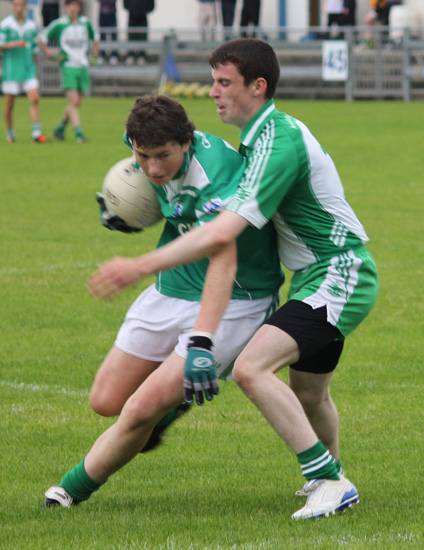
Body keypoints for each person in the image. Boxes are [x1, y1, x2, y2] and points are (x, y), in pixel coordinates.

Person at [87, 39, 379, 521]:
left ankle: (330, 479)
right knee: (310, 394)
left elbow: (223, 232)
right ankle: (325, 478)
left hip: (339, 271)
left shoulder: (277, 140)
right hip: (313, 277)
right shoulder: (259, 137)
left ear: (257, 86)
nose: (214, 92)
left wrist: (138, 265)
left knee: (250, 368)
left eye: (224, 83)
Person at [40, 94, 284, 508]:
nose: (152, 168)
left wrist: (202, 343)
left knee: (138, 412)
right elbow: (154, 191)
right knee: (106, 402)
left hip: (236, 296)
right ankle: (175, 401)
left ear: (186, 141)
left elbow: (222, 259)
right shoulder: (142, 141)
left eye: (163, 156)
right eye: (143, 155)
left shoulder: (216, 175)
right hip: (173, 284)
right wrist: (127, 213)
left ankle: (67, 492)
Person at [38, 0, 100, 143]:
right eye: (69, 5)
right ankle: (79, 134)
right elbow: (42, 38)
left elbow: (96, 38)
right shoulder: (60, 24)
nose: (72, 9)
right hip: (68, 66)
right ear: (65, 7)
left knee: (76, 103)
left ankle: (60, 128)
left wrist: (94, 54)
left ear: (79, 8)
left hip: (83, 65)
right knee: (74, 101)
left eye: (75, 6)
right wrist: (49, 53)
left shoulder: (85, 23)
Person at [0, 0, 49, 143]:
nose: (19, 8)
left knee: (34, 98)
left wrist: (35, 65)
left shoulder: (31, 26)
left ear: (25, 7)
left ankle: (36, 133)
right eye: (16, 5)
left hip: (28, 69)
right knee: (10, 104)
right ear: (13, 7)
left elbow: (34, 48)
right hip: (12, 70)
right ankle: (10, 133)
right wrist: (16, 43)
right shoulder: (6, 25)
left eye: (21, 5)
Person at [124, 0, 154, 66]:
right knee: (131, 35)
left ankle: (141, 55)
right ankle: (131, 54)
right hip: (132, 15)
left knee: (142, 35)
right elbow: (125, 3)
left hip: (143, 15)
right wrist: (130, 8)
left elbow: (151, 4)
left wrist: (145, 10)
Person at [97, 0, 118, 65]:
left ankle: (114, 55)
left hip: (111, 13)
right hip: (102, 13)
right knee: (102, 35)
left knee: (113, 35)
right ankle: (102, 54)